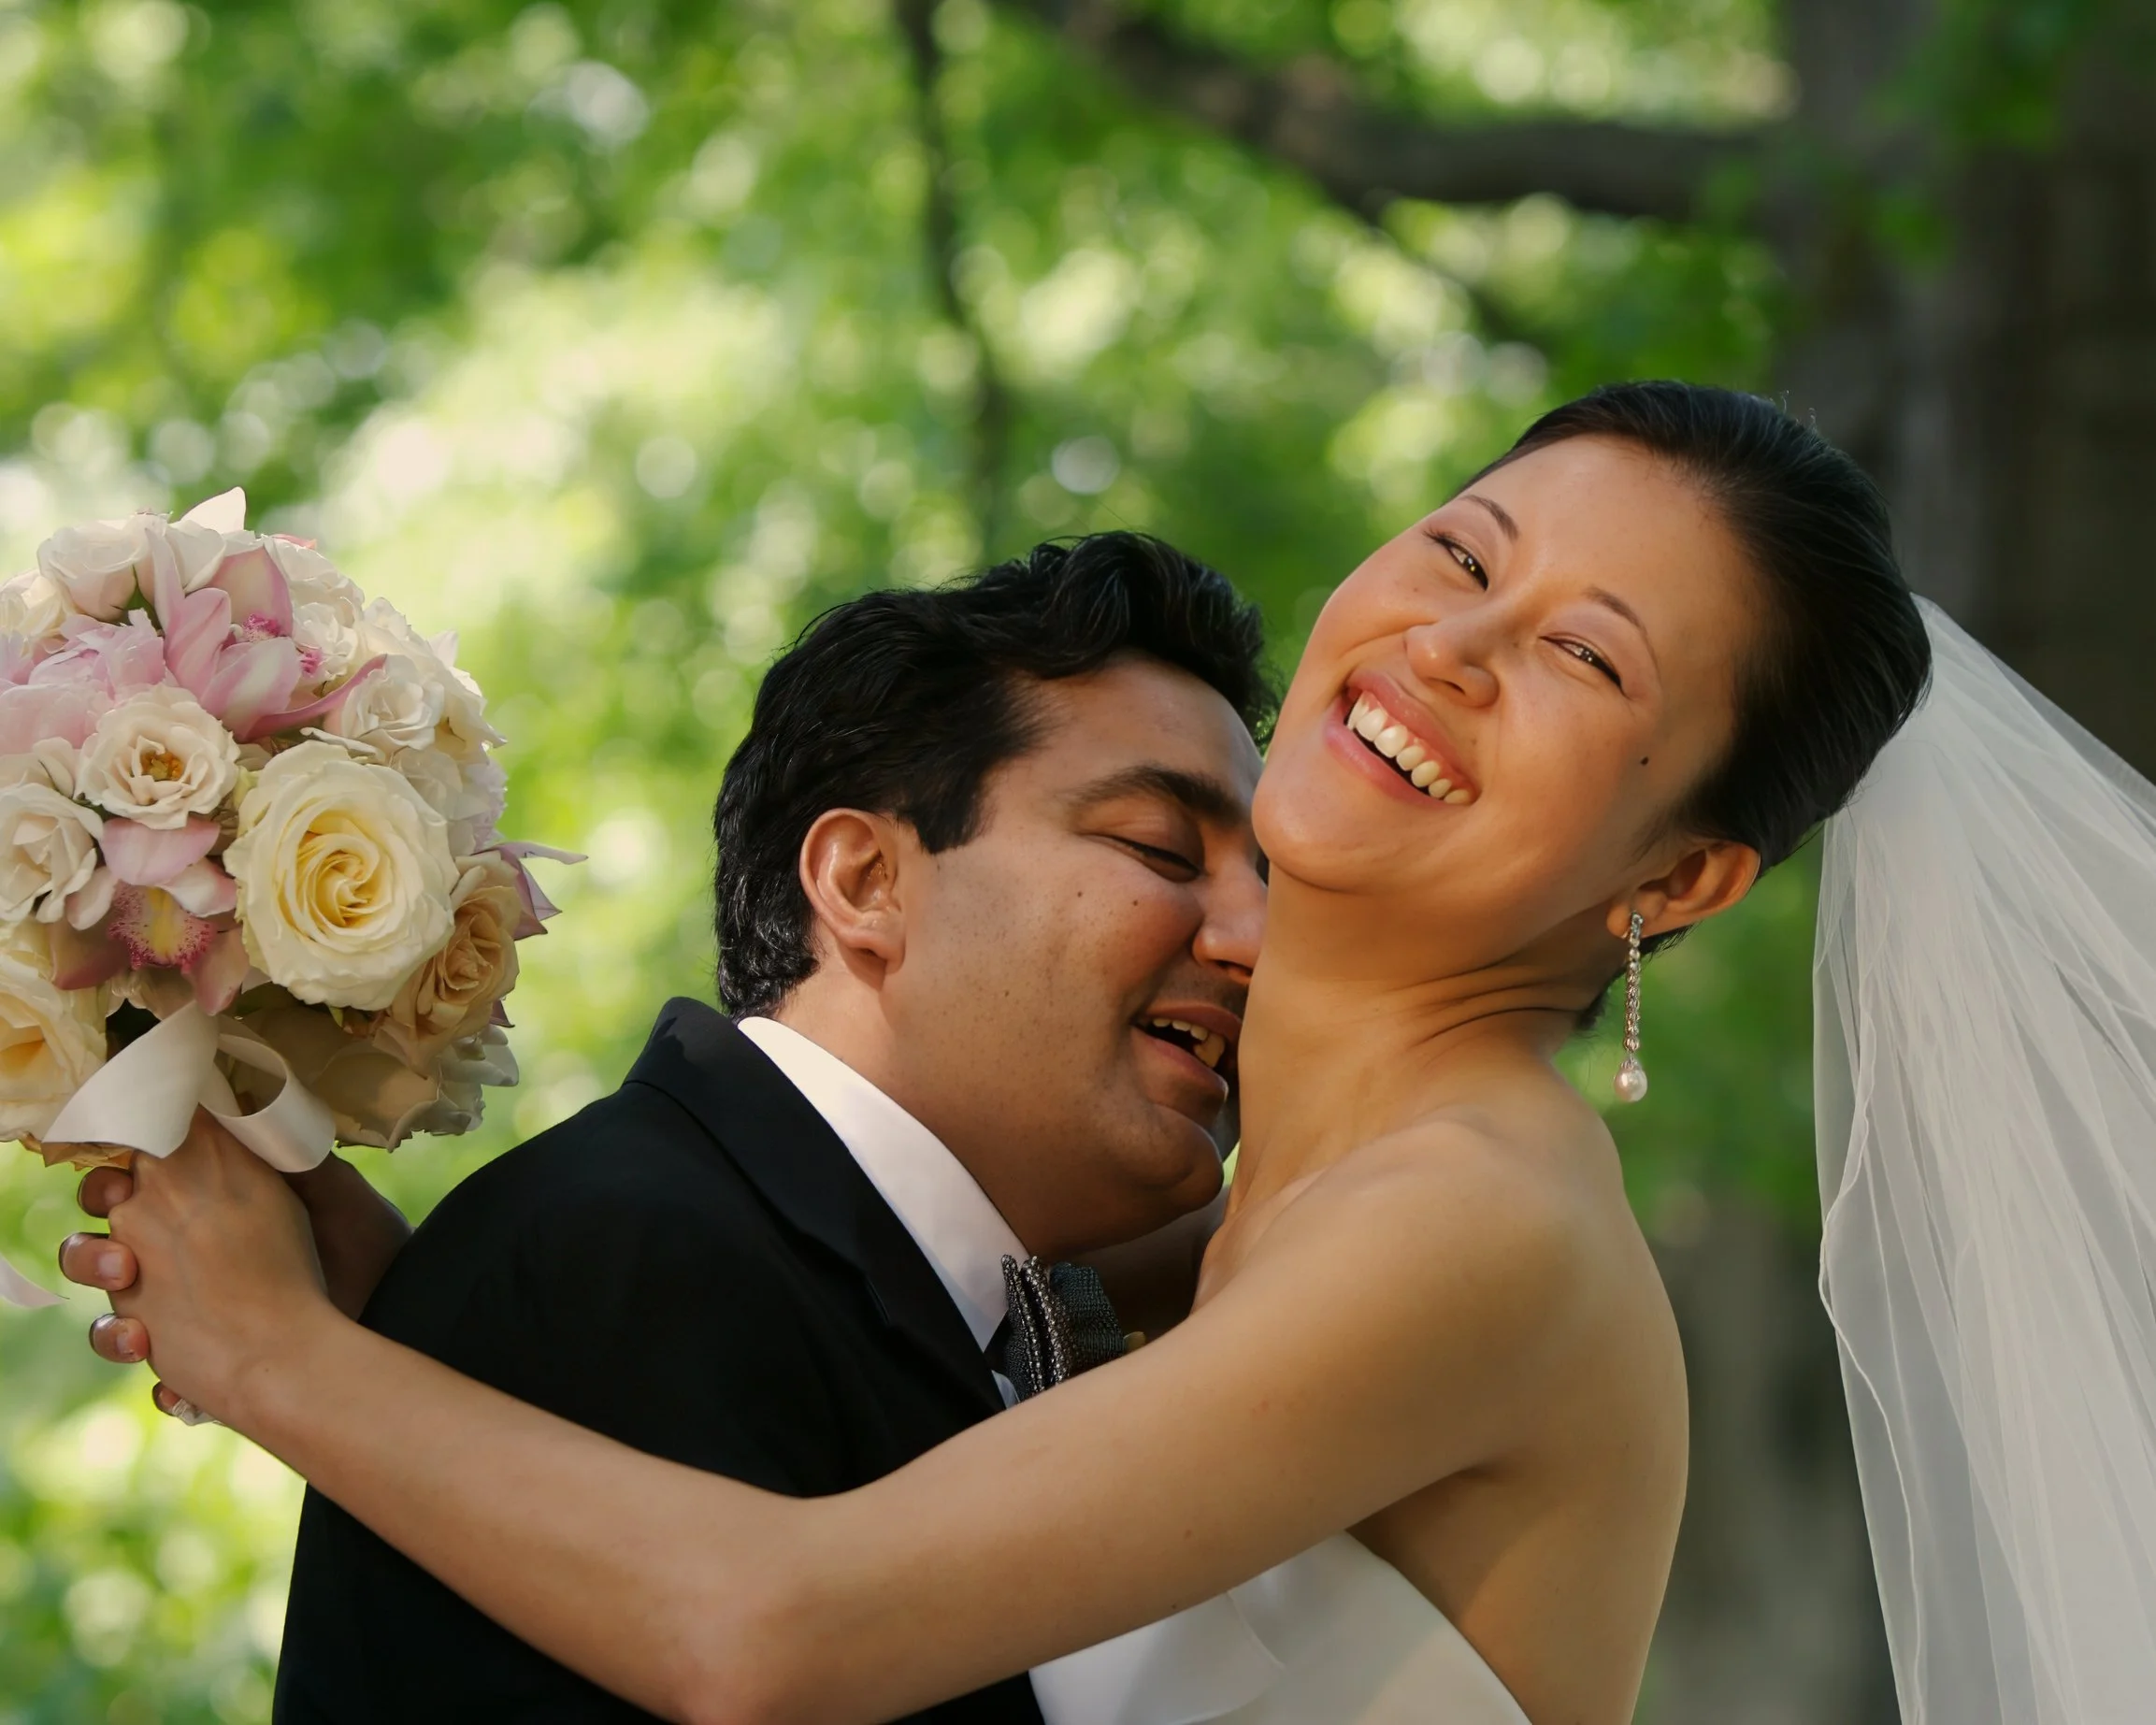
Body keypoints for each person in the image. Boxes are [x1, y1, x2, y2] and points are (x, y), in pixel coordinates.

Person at [72, 383, 1938, 1725]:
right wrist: (446, 1302)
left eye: (1586, 659)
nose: (1455, 643)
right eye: (1463, 550)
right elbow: (761, 1326)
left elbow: (773, 1633)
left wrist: (279, 1362)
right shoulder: (1226, 1226)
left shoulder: (1478, 1228)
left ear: (1681, 875)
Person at [68, 530, 1273, 1722]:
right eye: (1161, 849)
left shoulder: (910, 1287)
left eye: (1267, 883)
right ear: (863, 884)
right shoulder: (625, 1255)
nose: (1255, 941)